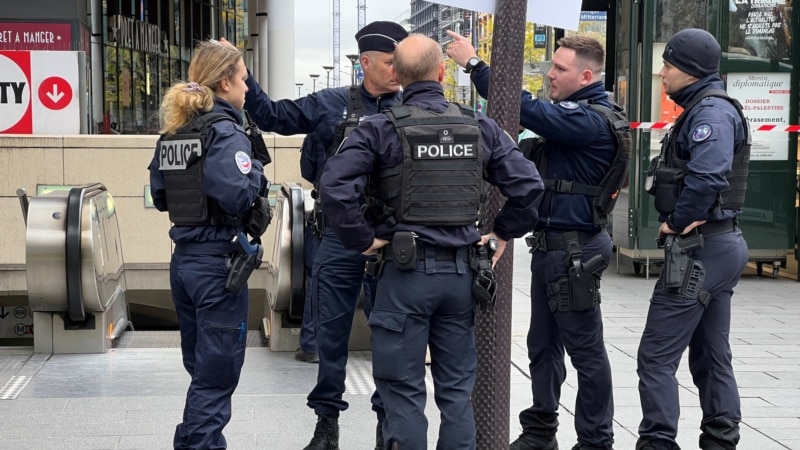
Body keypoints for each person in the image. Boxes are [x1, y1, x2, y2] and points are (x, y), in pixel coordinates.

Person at [320, 33, 544, 450]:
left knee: (402, 391)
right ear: (441, 72)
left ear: (399, 77)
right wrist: (500, 234)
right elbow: (529, 185)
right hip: (461, 278)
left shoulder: (380, 128)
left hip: (404, 276)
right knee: (457, 393)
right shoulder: (478, 126)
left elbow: (334, 186)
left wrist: (363, 239)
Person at [230, 21, 409, 449]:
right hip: (339, 238)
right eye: (389, 63)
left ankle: (388, 428)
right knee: (330, 338)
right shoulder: (331, 104)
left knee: (391, 338)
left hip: (390, 242)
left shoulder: (410, 108)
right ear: (365, 63)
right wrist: (244, 74)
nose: (397, 72)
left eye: (401, 63)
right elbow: (272, 115)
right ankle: (326, 426)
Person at [448, 31, 627, 450]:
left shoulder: (588, 119)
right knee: (542, 347)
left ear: (586, 75)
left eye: (559, 69)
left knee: (585, 351)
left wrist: (474, 64)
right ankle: (540, 431)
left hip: (574, 251)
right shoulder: (577, 116)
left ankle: (596, 440)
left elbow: (524, 109)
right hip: (553, 248)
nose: (550, 74)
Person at [148, 40, 271, 449]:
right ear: (224, 82)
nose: (248, 89)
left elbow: (162, 196)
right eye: (243, 79)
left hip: (184, 263)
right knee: (216, 375)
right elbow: (235, 194)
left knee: (202, 369)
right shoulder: (225, 132)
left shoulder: (175, 132)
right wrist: (254, 168)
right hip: (218, 265)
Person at [637, 28, 750, 450]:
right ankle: (720, 441)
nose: (662, 73)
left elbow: (707, 176)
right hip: (719, 247)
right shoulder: (704, 108)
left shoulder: (710, 114)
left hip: (701, 250)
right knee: (710, 354)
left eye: (667, 65)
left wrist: (677, 221)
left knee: (655, 358)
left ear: (689, 70)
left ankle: (657, 443)